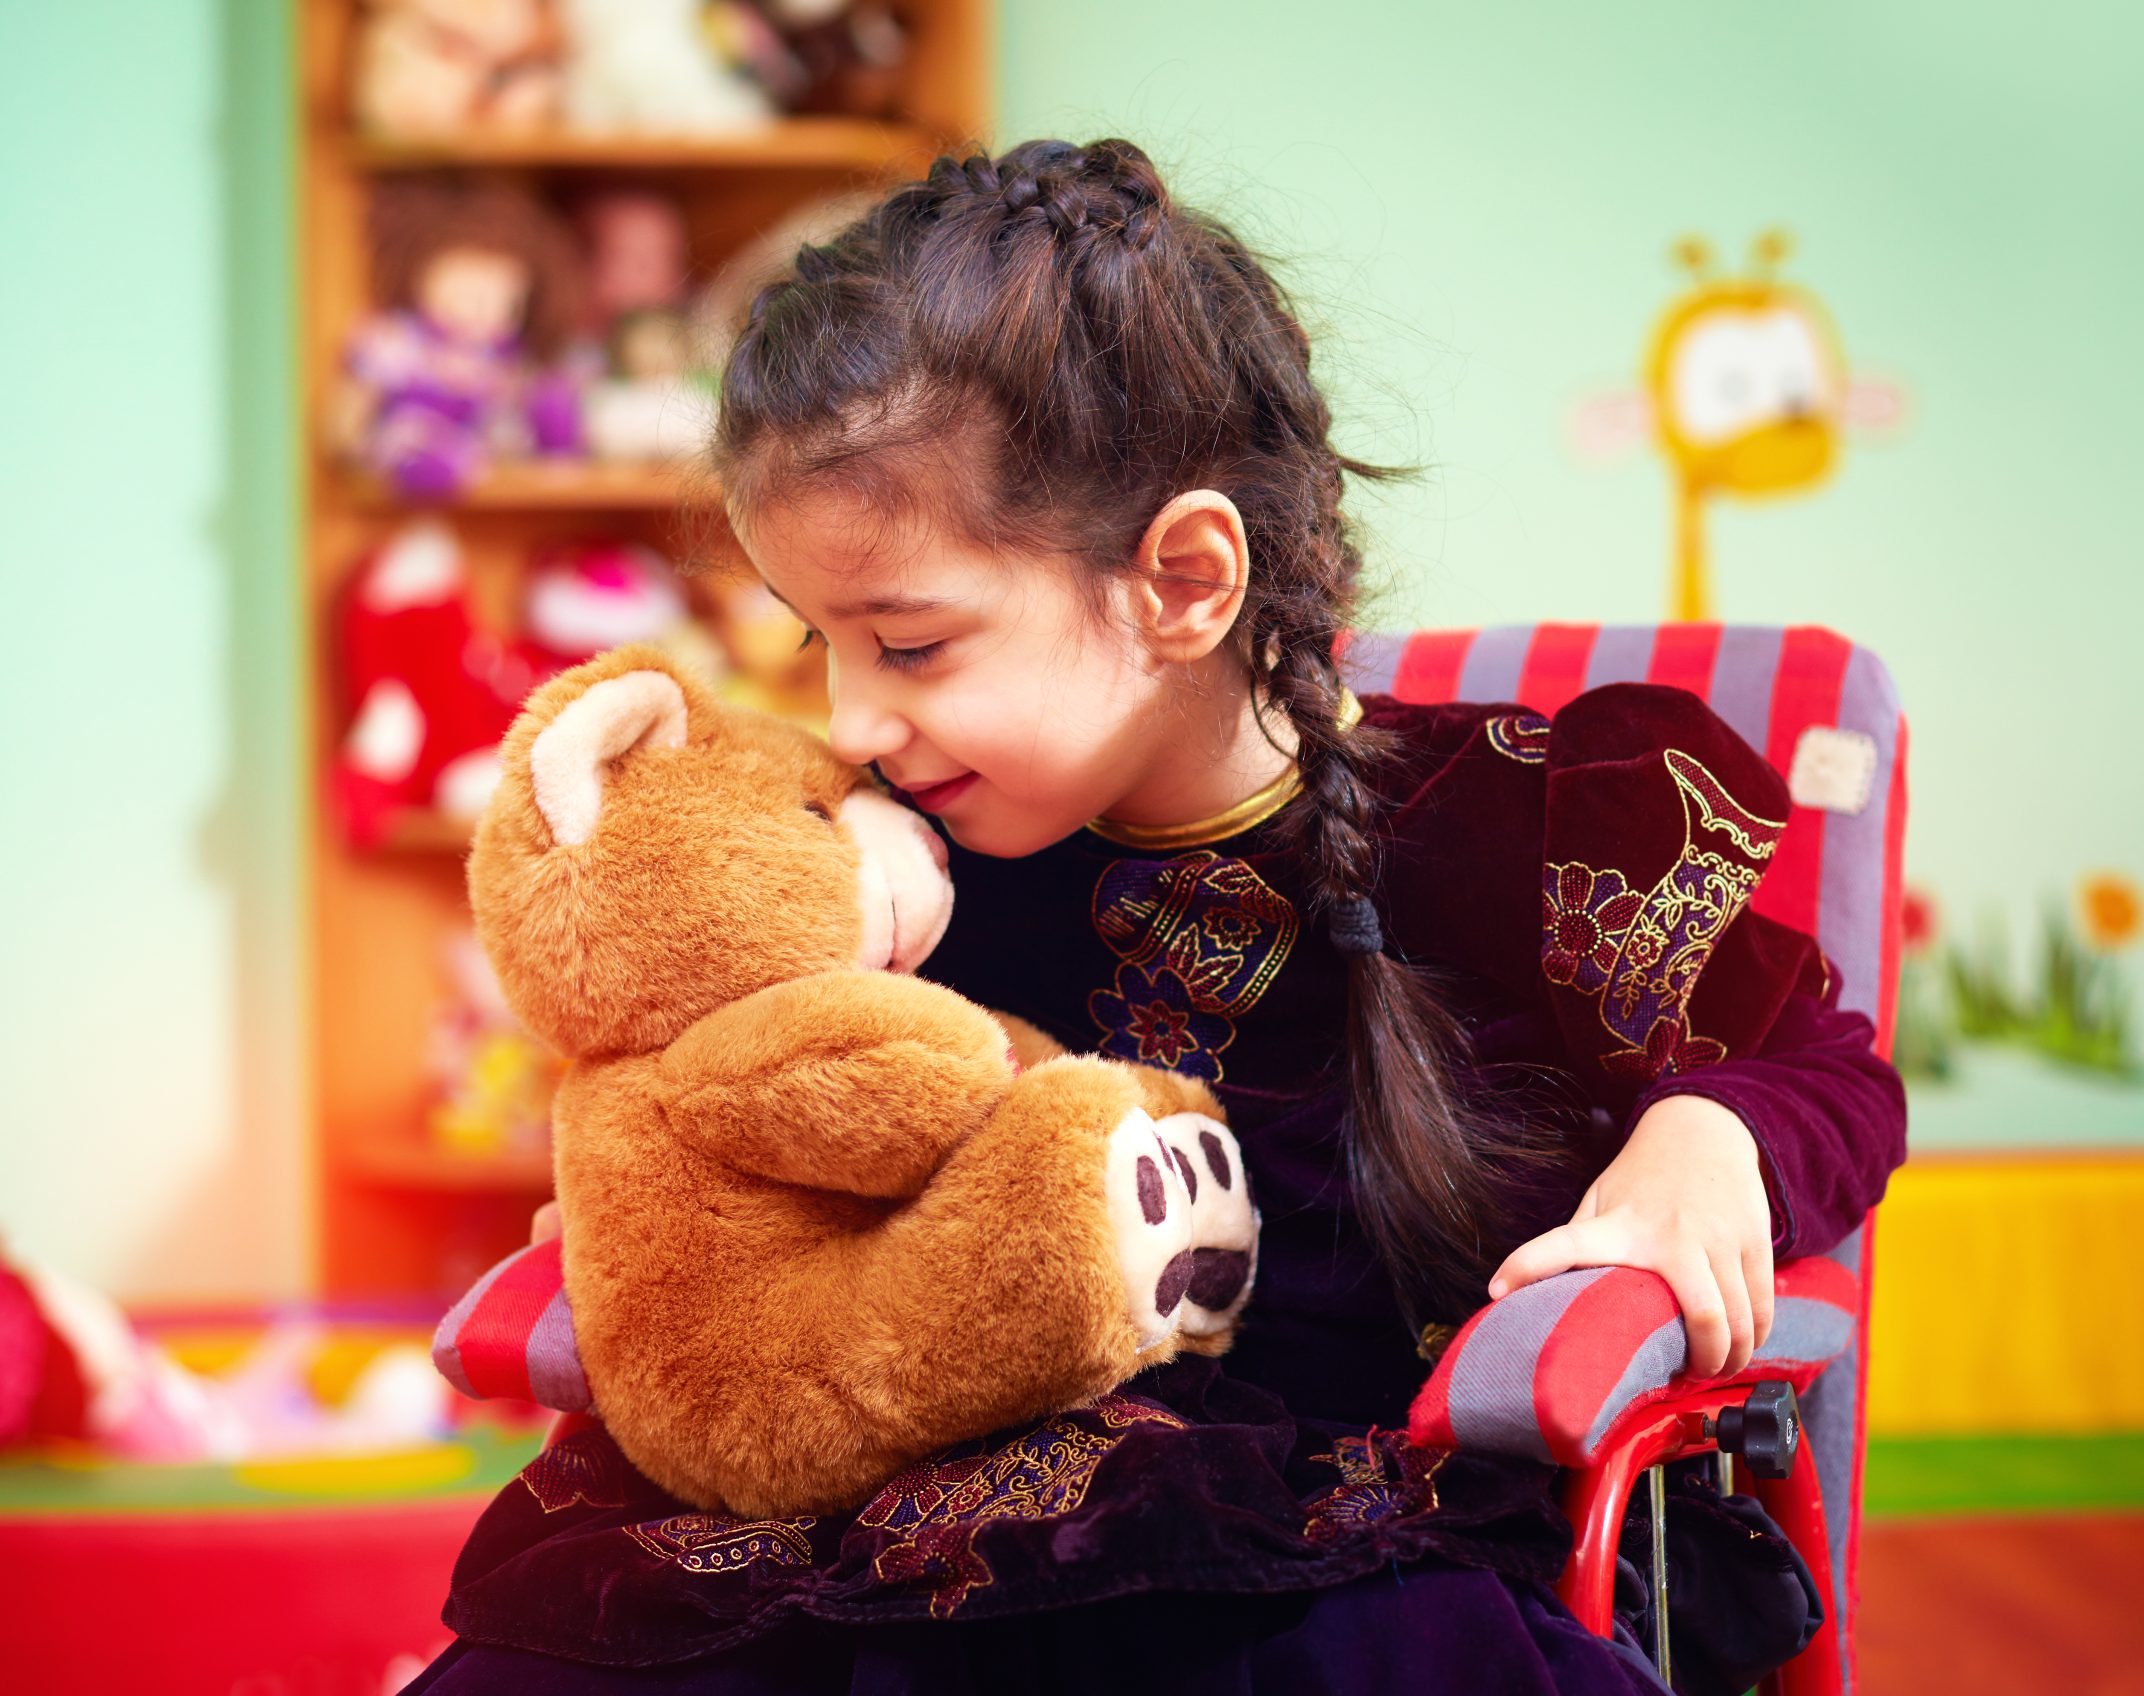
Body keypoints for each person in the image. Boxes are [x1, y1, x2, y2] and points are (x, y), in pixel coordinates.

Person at [404, 138, 1905, 1695]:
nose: (846, 719)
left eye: (908, 645)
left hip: (1327, 1546)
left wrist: (1707, 1140)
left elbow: (1832, 1069)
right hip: (907, 1518)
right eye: (816, 641)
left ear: (1182, 581)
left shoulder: (1520, 833)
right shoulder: (897, 870)